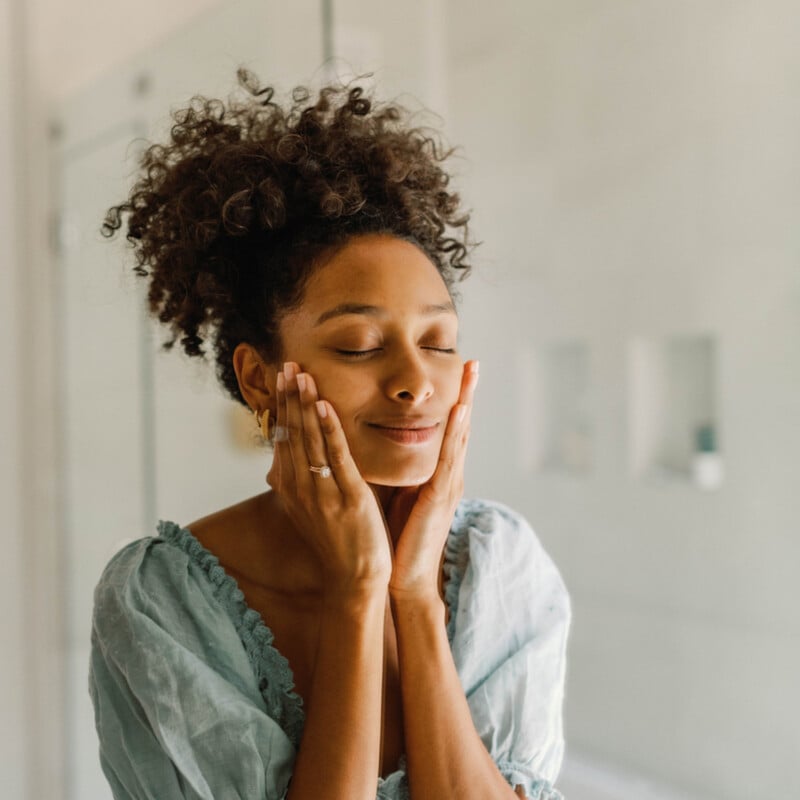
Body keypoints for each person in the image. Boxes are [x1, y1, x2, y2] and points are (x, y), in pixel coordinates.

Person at [89, 69, 570, 800]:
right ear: (260, 379)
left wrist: (413, 599)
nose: (417, 381)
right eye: (358, 346)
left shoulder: (500, 562)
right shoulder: (157, 599)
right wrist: (357, 593)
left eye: (438, 341)